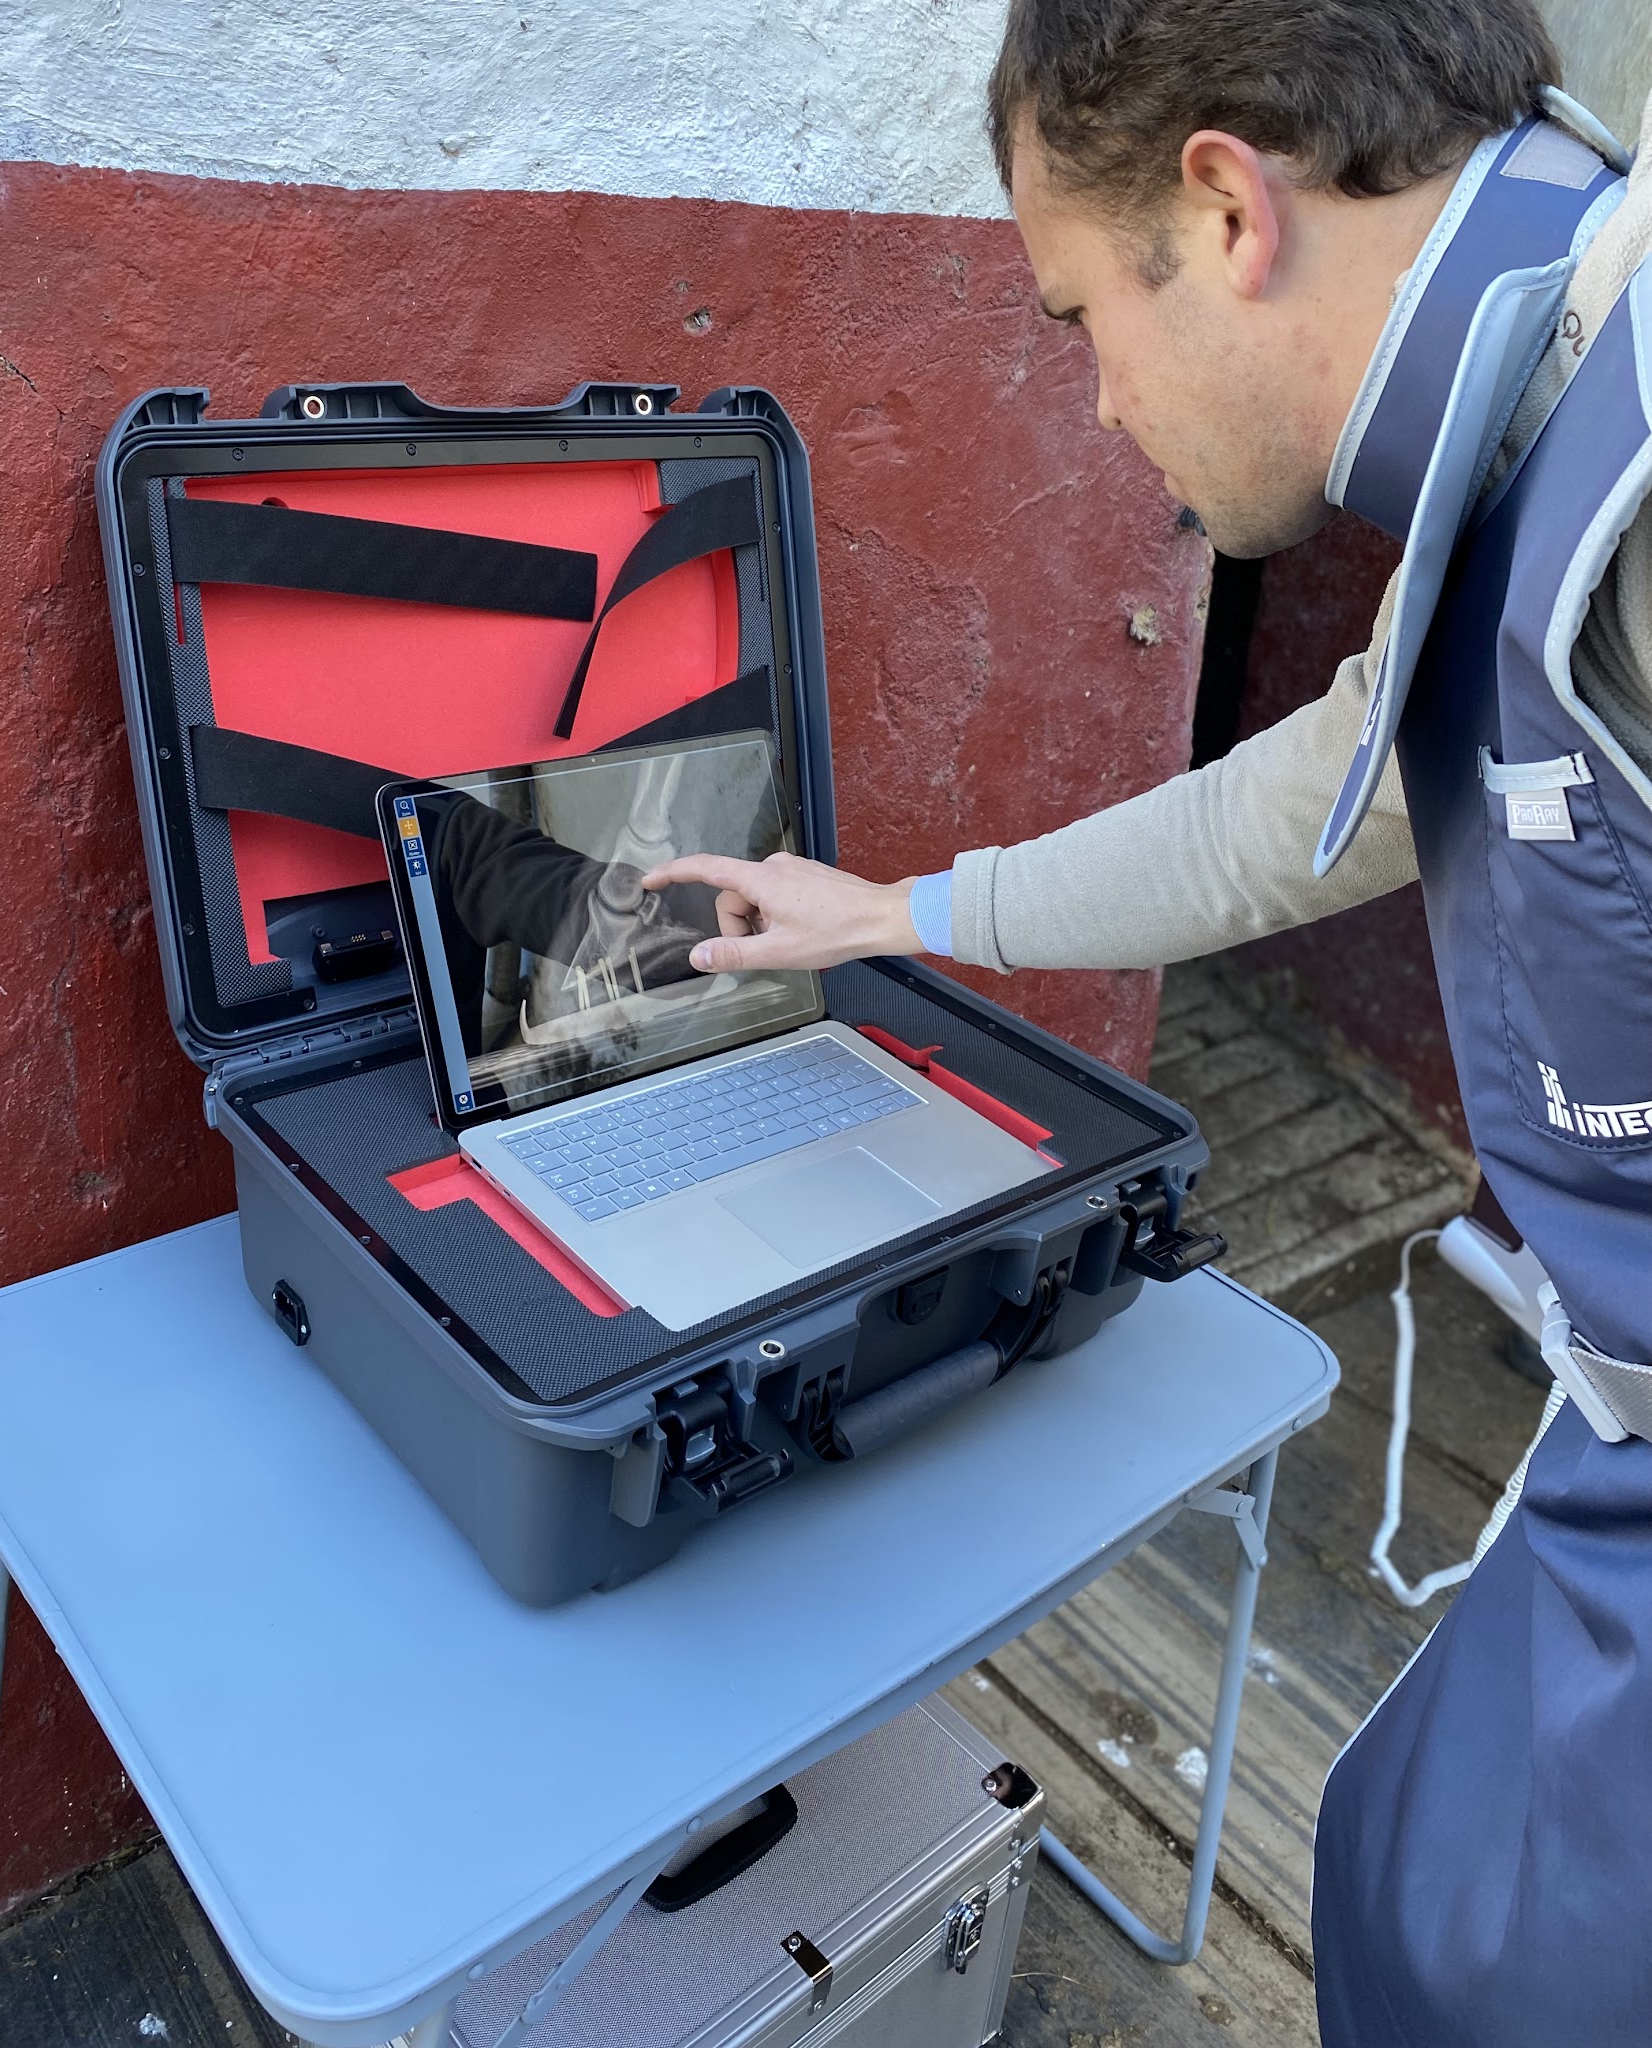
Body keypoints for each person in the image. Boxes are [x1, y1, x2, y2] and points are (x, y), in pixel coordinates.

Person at [644, 3, 1652, 2041]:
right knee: (1402, 1872)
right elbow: (1318, 799)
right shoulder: (1540, 393)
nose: (1101, 402)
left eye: (1082, 316)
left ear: (1224, 209)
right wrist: (901, 912)